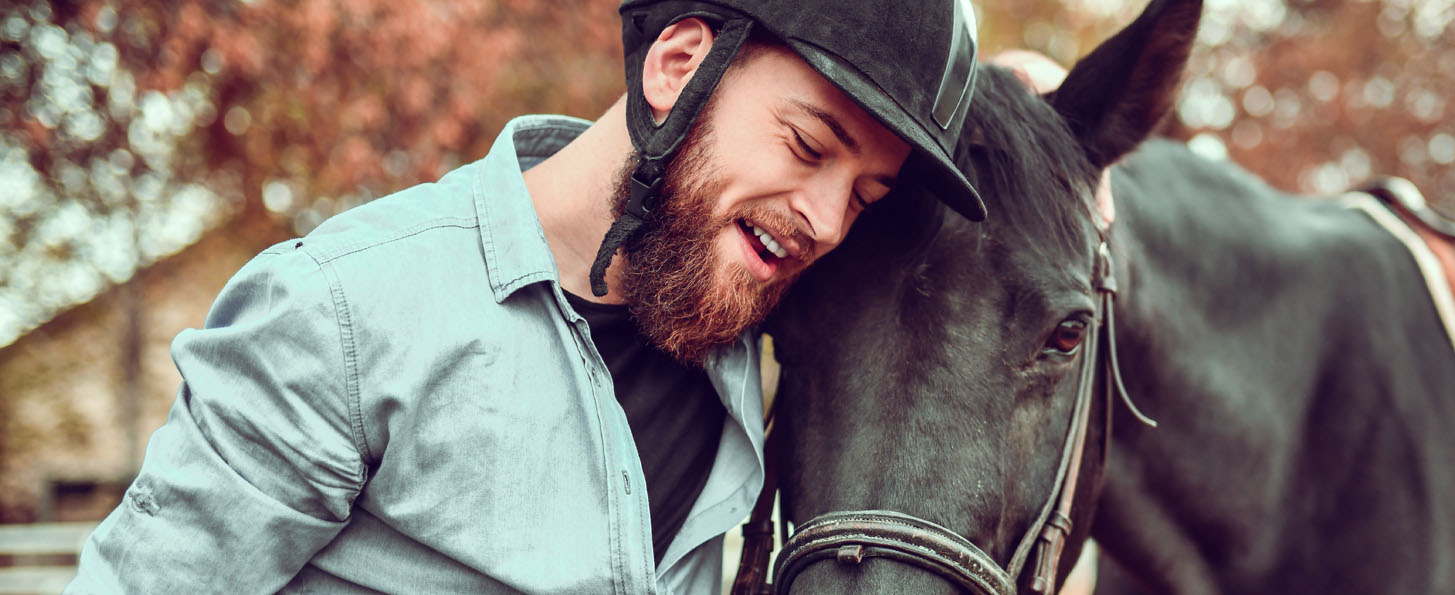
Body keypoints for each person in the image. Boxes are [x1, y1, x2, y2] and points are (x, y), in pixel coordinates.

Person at [66, 1, 985, 593]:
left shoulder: (736, 318)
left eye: (864, 198)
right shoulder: (344, 312)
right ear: (677, 69)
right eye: (808, 145)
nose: (827, 223)